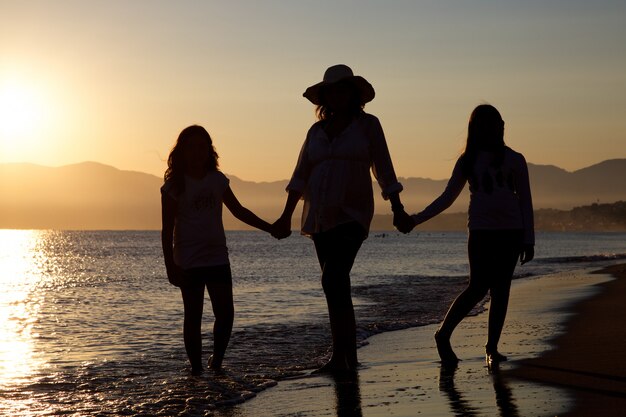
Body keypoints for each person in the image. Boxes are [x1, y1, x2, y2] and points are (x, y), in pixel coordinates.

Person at [273, 64, 413, 373]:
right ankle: (345, 358)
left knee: (332, 278)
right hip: (319, 216)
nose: (337, 95)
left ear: (353, 94)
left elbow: (384, 169)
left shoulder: (368, 126)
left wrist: (398, 208)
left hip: (353, 213)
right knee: (336, 286)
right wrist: (285, 216)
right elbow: (300, 176)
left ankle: (343, 358)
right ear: (324, 97)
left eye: (342, 90)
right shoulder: (315, 132)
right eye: (331, 91)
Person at [409, 104, 535, 366]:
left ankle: (491, 348)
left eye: (500, 122)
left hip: (511, 232)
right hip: (480, 231)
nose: (498, 127)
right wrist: (415, 220)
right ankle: (443, 334)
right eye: (492, 123)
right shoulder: (468, 161)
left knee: (501, 290)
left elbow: (525, 201)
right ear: (478, 129)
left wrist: (528, 239)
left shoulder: (515, 159)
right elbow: (446, 198)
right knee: (477, 287)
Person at [161, 125, 274, 375]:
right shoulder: (173, 186)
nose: (196, 152)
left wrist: (270, 228)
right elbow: (166, 230)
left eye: (202, 147)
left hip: (216, 256)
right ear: (182, 151)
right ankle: (196, 370)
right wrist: (170, 266)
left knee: (226, 314)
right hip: (187, 259)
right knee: (193, 316)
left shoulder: (217, 179)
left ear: (209, 151)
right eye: (191, 147)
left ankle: (217, 362)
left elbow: (239, 210)